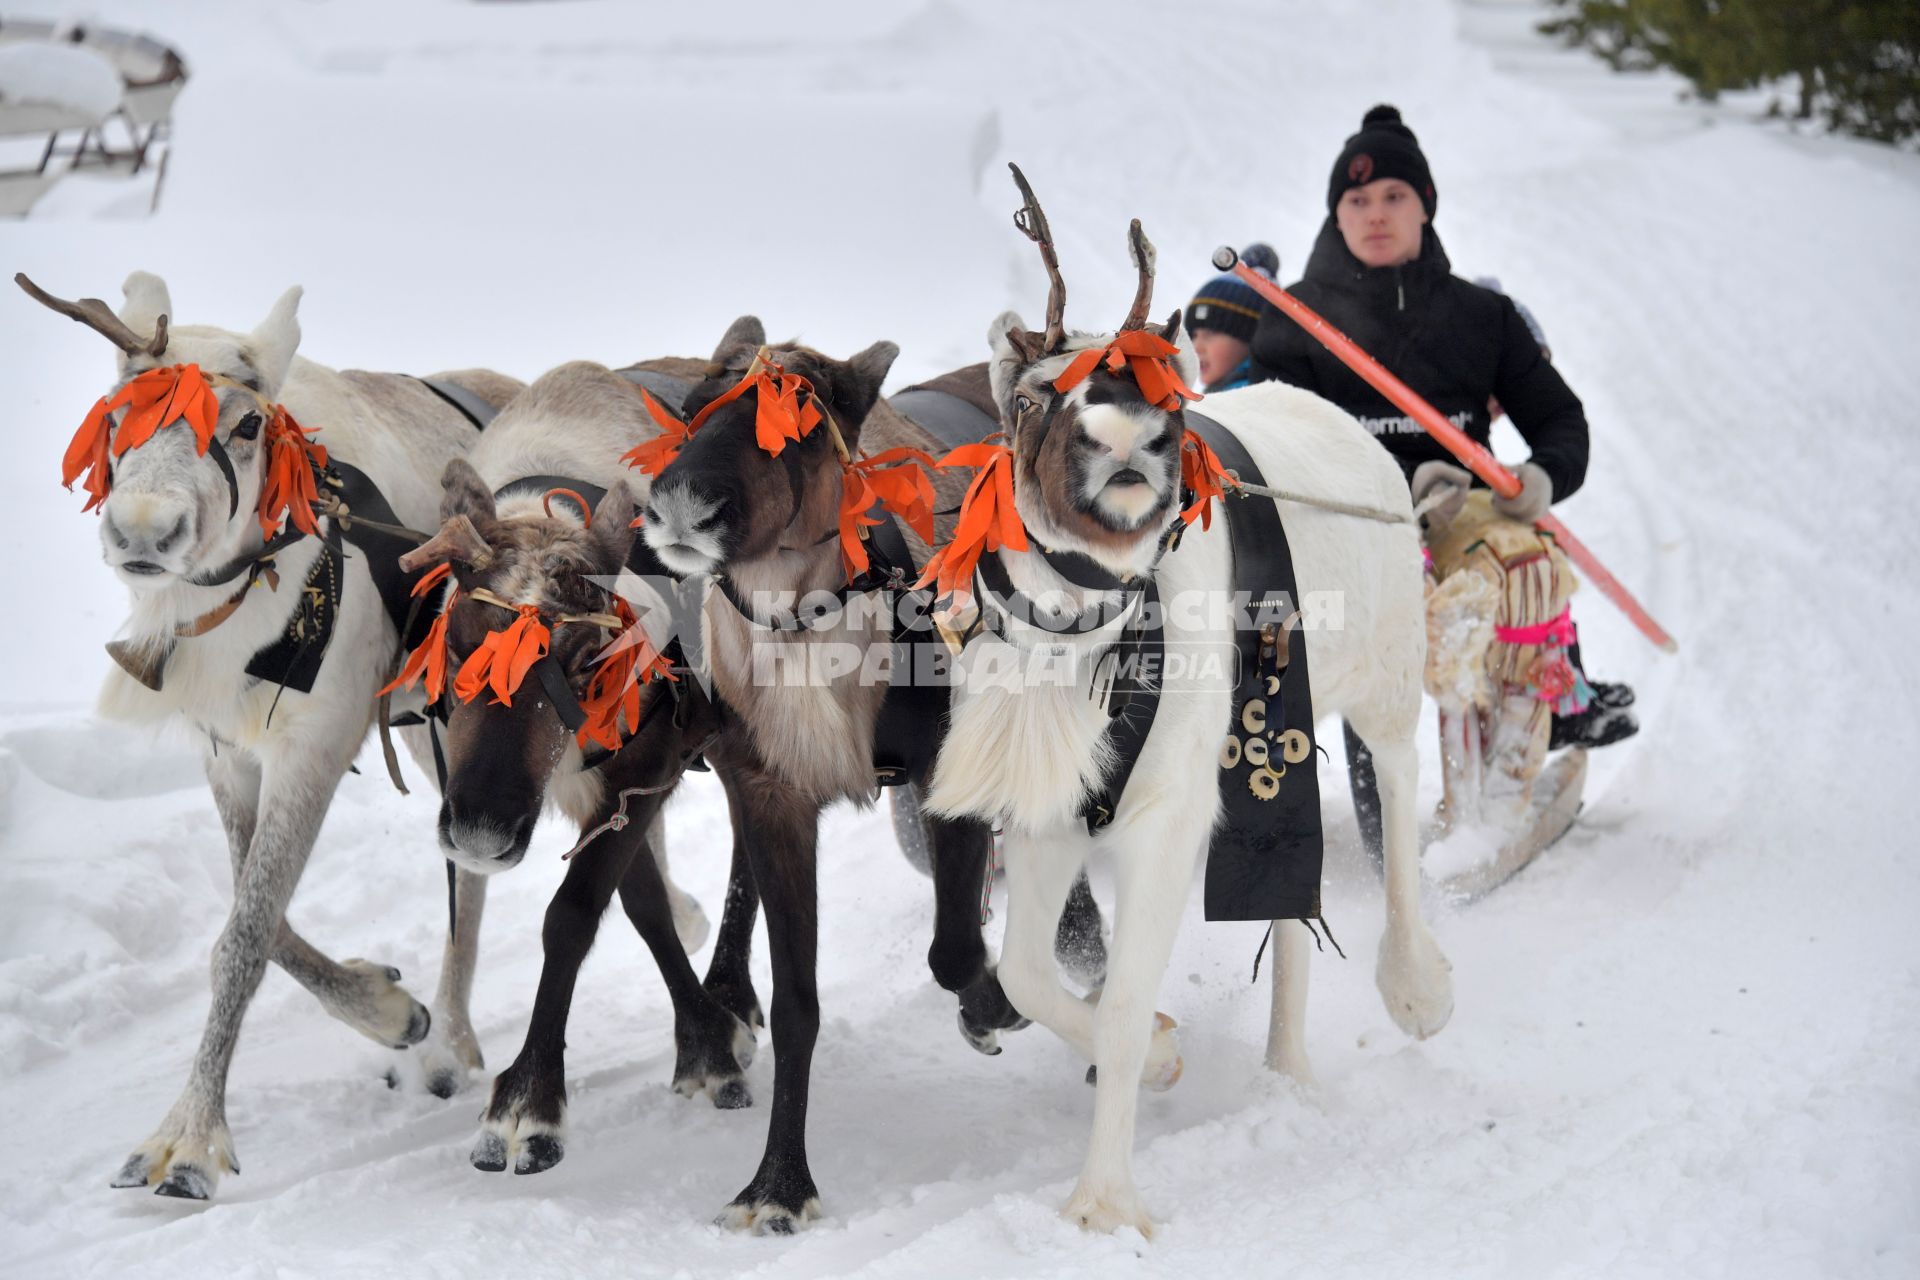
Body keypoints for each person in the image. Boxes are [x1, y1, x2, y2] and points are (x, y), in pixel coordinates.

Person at [1248, 104, 1635, 855]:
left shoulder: (1483, 318)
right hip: (1346, 523)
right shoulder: (1294, 320)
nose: (1376, 214)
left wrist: (1539, 478)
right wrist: (1387, 484)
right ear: (1336, 215)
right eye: (1356, 201)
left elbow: (1563, 425)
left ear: (1425, 204)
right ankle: (1376, 809)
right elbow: (1270, 441)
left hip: (1462, 517)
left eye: (1394, 195)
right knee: (1371, 604)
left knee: (1521, 565)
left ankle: (1493, 798)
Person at [1184, 243, 1279, 391]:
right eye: (1194, 335)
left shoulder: (1255, 399)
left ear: (1252, 337)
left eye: (1210, 334)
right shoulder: (1219, 395)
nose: (1196, 347)